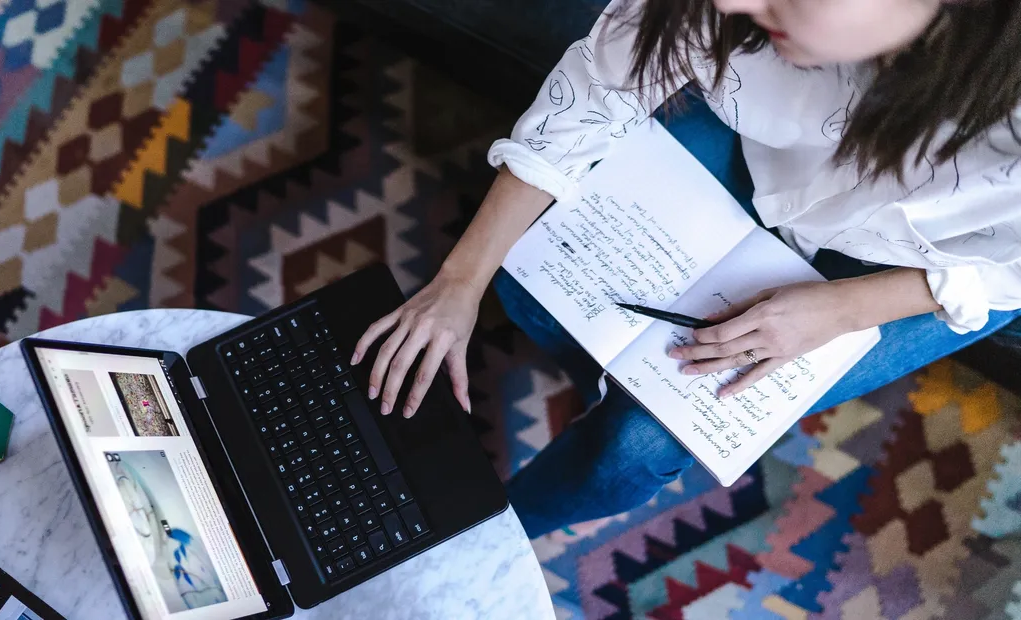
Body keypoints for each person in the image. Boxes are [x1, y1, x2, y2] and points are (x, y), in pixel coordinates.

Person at [351, 0, 1021, 537]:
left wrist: (848, 307)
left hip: (938, 264)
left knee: (639, 443)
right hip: (765, 152)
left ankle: (479, 538)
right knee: (535, 275)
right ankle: (601, 372)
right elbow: (597, 88)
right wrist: (457, 283)